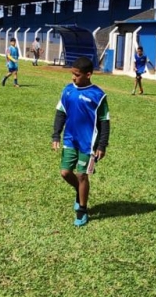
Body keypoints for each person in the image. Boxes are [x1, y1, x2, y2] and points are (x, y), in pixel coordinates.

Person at [51, 56, 110, 227]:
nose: (73, 78)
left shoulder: (98, 95)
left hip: (89, 144)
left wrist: (102, 145)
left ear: (88, 75)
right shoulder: (68, 90)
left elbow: (104, 122)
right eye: (72, 74)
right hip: (70, 139)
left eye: (77, 75)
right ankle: (80, 190)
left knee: (82, 175)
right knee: (65, 173)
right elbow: (60, 113)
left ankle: (82, 210)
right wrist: (56, 135)